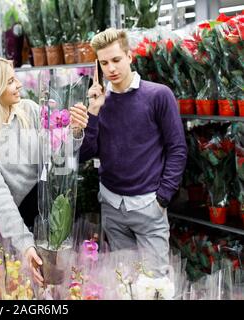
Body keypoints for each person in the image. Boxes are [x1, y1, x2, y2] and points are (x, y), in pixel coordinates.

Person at [71, 28, 187, 270]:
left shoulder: (158, 95)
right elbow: (84, 153)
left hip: (148, 207)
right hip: (112, 206)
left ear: (129, 56)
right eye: (104, 63)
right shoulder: (99, 101)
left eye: (116, 60)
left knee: (155, 286)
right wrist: (93, 112)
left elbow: (177, 149)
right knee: (123, 283)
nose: (111, 69)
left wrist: (163, 197)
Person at [0, 58, 88, 285]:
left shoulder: (29, 111)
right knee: (17, 285)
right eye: (10, 81)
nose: (19, 84)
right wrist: (25, 244)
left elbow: (57, 154)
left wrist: (74, 131)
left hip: (44, 211)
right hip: (8, 224)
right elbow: (0, 200)